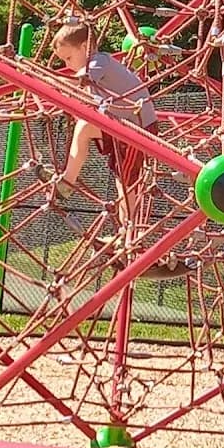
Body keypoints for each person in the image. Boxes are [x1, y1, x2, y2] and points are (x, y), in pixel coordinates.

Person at [37, 22, 180, 278]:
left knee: (128, 189)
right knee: (121, 181)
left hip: (137, 129)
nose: (68, 64)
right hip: (120, 127)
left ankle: (130, 242)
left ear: (86, 46)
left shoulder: (98, 62)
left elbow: (82, 83)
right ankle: (70, 184)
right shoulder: (95, 66)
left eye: (69, 57)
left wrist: (46, 81)